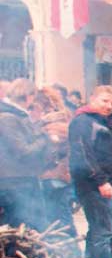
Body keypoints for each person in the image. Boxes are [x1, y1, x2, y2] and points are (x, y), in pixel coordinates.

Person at [68, 85, 112, 258]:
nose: (108, 106)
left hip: (110, 184)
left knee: (98, 230)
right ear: (92, 99)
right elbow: (83, 153)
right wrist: (100, 181)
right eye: (104, 101)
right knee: (103, 232)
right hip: (94, 185)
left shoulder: (107, 122)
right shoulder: (83, 121)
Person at [0, 79, 57, 229]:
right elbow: (24, 151)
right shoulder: (7, 118)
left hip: (23, 181)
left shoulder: (16, 116)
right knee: (21, 229)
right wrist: (43, 136)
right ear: (29, 96)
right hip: (15, 184)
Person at [31, 86, 75, 235]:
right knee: (60, 217)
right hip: (59, 176)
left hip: (53, 176)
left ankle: (70, 252)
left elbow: (51, 149)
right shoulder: (65, 119)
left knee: (58, 219)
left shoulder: (53, 123)